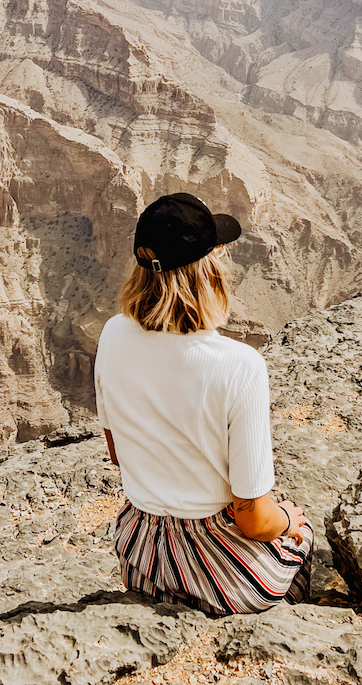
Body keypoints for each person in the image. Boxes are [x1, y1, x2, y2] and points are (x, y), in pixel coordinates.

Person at [94, 193, 314, 615]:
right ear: (208, 271)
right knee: (303, 540)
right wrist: (286, 518)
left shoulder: (111, 334)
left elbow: (117, 451)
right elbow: (252, 519)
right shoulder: (239, 365)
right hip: (216, 564)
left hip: (143, 555)